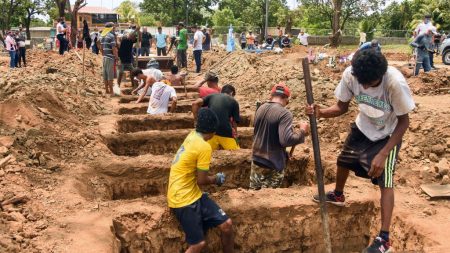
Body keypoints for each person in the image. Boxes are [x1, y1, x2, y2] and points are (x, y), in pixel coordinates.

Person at [306, 50, 415, 253]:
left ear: (381, 75)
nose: (364, 87)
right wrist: (320, 113)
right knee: (343, 160)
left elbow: (404, 122)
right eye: (362, 82)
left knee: (385, 180)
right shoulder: (351, 74)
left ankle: (384, 239)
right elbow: (341, 107)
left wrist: (383, 154)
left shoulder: (394, 83)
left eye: (370, 83)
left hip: (388, 134)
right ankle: (338, 195)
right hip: (363, 126)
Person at [168, 107, 234, 253]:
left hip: (192, 194)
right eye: (214, 131)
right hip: (183, 199)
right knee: (197, 245)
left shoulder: (192, 135)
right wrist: (216, 179)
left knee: (227, 224)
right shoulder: (204, 147)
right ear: (211, 131)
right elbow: (202, 180)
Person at [250, 83, 309, 190]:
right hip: (272, 163)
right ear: (286, 98)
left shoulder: (260, 108)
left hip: (257, 159)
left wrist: (283, 153)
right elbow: (286, 140)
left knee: (254, 195)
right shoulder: (284, 113)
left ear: (271, 95)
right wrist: (302, 131)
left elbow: (265, 134)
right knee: (269, 199)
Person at [192, 85, 240, 151]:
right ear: (231, 93)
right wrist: (236, 136)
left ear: (221, 91)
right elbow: (234, 122)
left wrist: (196, 121)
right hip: (225, 132)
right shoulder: (234, 101)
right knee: (236, 153)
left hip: (210, 133)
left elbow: (195, 103)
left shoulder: (212, 96)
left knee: (209, 153)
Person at [100, 22, 118, 96]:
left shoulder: (103, 35)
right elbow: (114, 48)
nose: (114, 28)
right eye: (113, 27)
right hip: (110, 57)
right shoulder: (111, 36)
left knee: (105, 74)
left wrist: (104, 54)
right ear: (111, 27)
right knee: (110, 75)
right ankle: (111, 92)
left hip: (104, 57)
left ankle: (107, 90)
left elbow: (101, 47)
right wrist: (116, 57)